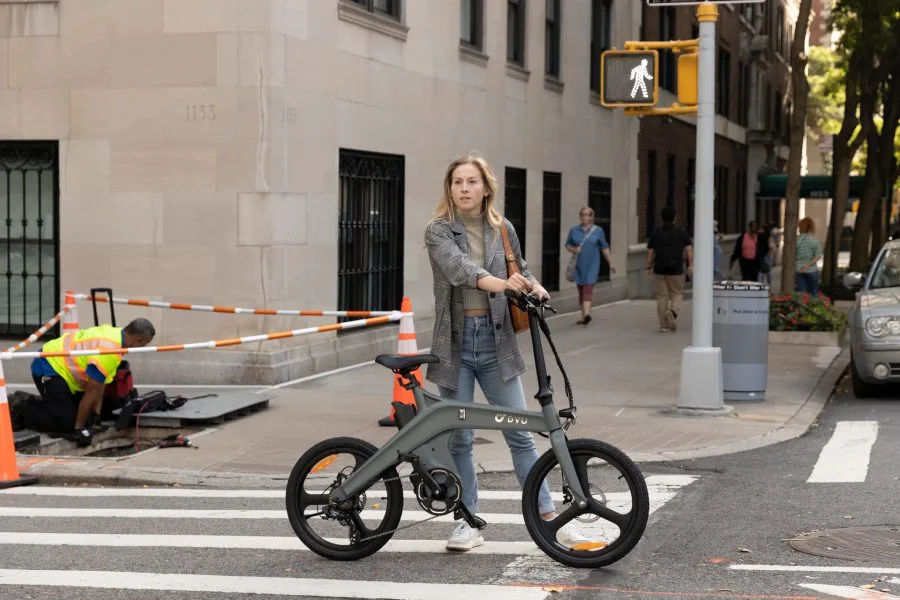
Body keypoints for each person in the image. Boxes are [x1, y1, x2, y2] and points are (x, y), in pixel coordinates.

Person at [424, 152, 592, 552]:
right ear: (450, 188)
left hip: (497, 344)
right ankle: (467, 522)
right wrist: (503, 284)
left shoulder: (503, 229)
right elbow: (459, 269)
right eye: (457, 182)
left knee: (520, 435)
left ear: (486, 188)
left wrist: (534, 286)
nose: (463, 189)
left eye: (471, 182)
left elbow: (521, 268)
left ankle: (552, 519)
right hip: (456, 344)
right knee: (460, 438)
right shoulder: (438, 230)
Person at [23, 318, 156, 446]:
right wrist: (79, 428)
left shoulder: (115, 336)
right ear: (139, 340)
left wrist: (96, 418)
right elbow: (92, 390)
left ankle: (51, 405)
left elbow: (100, 384)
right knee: (67, 426)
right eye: (145, 344)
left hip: (62, 369)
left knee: (83, 417)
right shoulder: (109, 350)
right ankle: (20, 407)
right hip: (48, 366)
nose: (144, 347)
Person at [565, 207, 615, 325]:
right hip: (579, 264)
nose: (584, 217)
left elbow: (604, 247)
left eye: (587, 215)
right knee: (581, 290)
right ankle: (583, 317)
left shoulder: (598, 231)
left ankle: (587, 314)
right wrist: (574, 249)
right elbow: (567, 245)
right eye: (582, 214)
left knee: (588, 289)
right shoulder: (574, 230)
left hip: (592, 264)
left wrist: (611, 263)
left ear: (592, 217)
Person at [646, 206, 693, 332]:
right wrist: (690, 265)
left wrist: (648, 267)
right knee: (677, 293)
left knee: (662, 296)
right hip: (676, 269)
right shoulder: (681, 232)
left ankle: (663, 325)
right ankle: (672, 312)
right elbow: (689, 249)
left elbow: (650, 252)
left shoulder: (656, 232)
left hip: (659, 269)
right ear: (675, 218)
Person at [796, 217, 824, 295]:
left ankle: (802, 306)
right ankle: (813, 306)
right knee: (814, 293)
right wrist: (808, 265)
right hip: (812, 270)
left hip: (799, 269)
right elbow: (818, 256)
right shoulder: (814, 241)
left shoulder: (796, 240)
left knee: (801, 294)